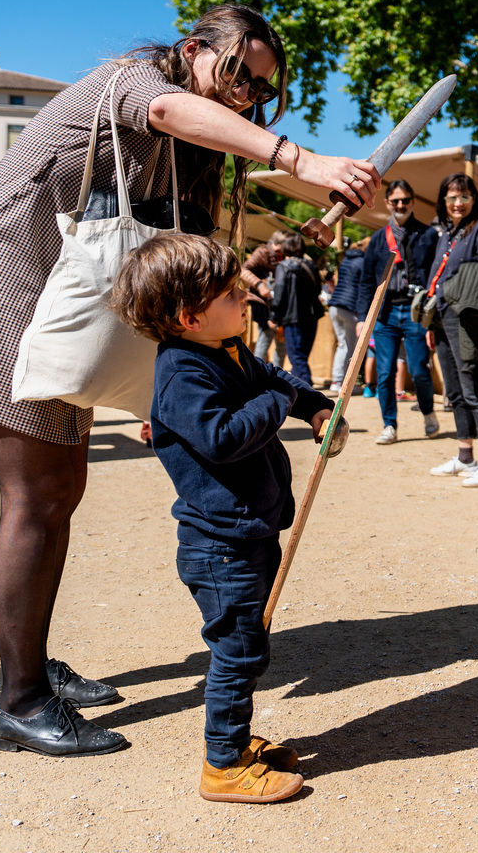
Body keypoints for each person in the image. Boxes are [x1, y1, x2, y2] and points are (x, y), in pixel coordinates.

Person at [0, 3, 380, 757]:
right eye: (238, 72)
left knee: (60, 491)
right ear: (193, 49)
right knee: (39, 495)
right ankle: (20, 701)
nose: (246, 93)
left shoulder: (198, 155)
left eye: (261, 88)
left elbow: (191, 267)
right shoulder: (130, 82)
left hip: (62, 311)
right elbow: (167, 109)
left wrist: (308, 223)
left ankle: (30, 665)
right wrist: (301, 160)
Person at [112, 232, 335, 803]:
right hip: (219, 547)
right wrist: (281, 404)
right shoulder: (182, 372)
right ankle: (223, 764)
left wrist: (313, 406)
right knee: (238, 652)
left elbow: (276, 378)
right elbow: (223, 437)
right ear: (189, 318)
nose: (245, 297)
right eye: (231, 293)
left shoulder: (226, 348)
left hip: (249, 531)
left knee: (248, 644)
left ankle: (235, 741)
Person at [426, 173, 478, 487]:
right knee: (455, 391)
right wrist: (431, 321)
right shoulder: (447, 233)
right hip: (441, 319)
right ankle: (465, 455)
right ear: (444, 201)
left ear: (474, 199)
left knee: (473, 389)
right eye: (452, 197)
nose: (458, 203)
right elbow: (437, 277)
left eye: (465, 196)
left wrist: (458, 294)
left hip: (466, 319)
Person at [359, 178, 438, 444]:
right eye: (395, 201)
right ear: (387, 203)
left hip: (416, 311)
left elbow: (436, 274)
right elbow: (366, 280)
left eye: (405, 200)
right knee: (385, 372)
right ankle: (389, 425)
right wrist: (362, 318)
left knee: (419, 369)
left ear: (413, 202)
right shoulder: (377, 239)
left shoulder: (427, 235)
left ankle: (428, 412)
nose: (400, 205)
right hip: (386, 313)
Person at [269, 233, 323, 387]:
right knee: (301, 356)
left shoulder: (283, 266)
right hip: (311, 316)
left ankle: (308, 390)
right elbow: (318, 290)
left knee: (297, 356)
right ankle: (298, 388)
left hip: (292, 317)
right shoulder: (311, 266)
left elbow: (279, 293)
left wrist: (273, 315)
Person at [326, 236, 367, 394]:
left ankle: (338, 380)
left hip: (335, 305)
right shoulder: (363, 262)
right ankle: (341, 382)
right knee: (348, 346)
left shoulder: (346, 260)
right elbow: (363, 288)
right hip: (349, 308)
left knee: (343, 344)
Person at [241, 231, 288, 368]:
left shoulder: (283, 256)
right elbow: (243, 270)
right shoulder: (262, 252)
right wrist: (259, 285)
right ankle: (257, 372)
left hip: (278, 304)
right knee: (265, 338)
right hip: (263, 303)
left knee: (281, 341)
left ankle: (279, 373)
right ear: (275, 243)